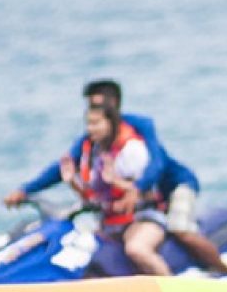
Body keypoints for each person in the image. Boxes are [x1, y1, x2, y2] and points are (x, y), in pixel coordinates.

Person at [4, 79, 227, 274]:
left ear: (114, 106)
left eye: (99, 107)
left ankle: (223, 272)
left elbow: (156, 164)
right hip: (137, 199)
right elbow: (63, 167)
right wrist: (26, 190)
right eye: (90, 107)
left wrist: (137, 189)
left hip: (173, 185)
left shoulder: (137, 131)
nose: (93, 115)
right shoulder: (94, 140)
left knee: (180, 229)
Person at [61, 100, 170, 275]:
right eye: (88, 124)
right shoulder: (95, 153)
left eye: (96, 123)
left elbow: (147, 194)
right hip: (110, 224)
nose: (90, 129)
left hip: (143, 218)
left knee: (137, 249)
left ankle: (172, 291)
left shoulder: (131, 150)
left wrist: (116, 181)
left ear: (111, 123)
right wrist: (72, 181)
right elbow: (93, 198)